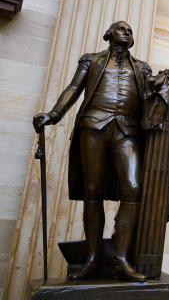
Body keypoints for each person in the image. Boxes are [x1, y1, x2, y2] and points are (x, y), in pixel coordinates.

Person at [33, 21, 156, 281]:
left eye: (130, 31)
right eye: (121, 28)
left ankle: (120, 258)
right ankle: (92, 257)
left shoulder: (143, 68)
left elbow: (153, 100)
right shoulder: (91, 60)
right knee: (93, 191)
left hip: (127, 131)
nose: (127, 32)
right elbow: (73, 89)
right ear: (109, 34)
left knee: (133, 189)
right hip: (94, 126)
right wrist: (53, 115)